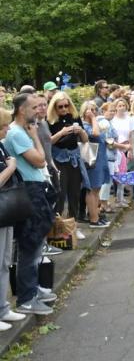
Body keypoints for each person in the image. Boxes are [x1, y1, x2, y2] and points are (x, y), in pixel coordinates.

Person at [4, 94, 56, 315]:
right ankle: (26, 298)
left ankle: (32, 289)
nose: (39, 110)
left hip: (33, 189)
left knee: (34, 244)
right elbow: (40, 160)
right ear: (21, 110)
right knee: (30, 245)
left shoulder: (19, 131)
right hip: (29, 191)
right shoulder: (17, 133)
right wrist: (35, 136)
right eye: (34, 107)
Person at [0, 109, 28, 329]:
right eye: (3, 126)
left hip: (6, 210)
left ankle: (3, 308)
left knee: (4, 261)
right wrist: (11, 168)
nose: (7, 129)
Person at [47, 91, 90, 233]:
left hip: (74, 158)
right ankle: (57, 230)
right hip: (58, 158)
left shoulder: (74, 117)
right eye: (60, 107)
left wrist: (80, 131)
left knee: (75, 193)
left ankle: (73, 227)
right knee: (60, 194)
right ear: (54, 107)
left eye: (66, 105)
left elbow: (85, 140)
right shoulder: (50, 121)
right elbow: (47, 142)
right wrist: (62, 132)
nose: (64, 109)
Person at [79, 101, 112, 226]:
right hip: (92, 160)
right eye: (90, 110)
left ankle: (96, 214)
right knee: (92, 189)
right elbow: (95, 134)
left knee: (97, 188)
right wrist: (93, 118)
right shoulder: (84, 125)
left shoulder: (95, 123)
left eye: (94, 110)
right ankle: (93, 219)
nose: (93, 112)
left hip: (100, 158)